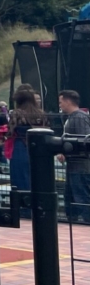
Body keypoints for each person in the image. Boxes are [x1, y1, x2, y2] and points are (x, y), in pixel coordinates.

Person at [6, 85, 47, 206]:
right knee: (37, 178)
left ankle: (24, 208)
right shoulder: (41, 113)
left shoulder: (17, 113)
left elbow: (10, 131)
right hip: (38, 148)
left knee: (20, 179)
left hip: (20, 147)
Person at [58, 90, 90, 223]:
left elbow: (85, 140)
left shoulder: (79, 117)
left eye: (60, 102)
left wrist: (67, 151)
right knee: (71, 196)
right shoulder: (73, 117)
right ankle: (74, 220)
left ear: (67, 101)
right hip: (74, 165)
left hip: (80, 165)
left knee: (81, 195)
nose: (59, 105)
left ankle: (87, 220)